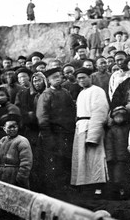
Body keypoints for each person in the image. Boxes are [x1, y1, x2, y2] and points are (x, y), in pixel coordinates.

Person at [36, 67, 76, 196]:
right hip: (53, 135)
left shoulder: (66, 92)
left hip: (67, 134)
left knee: (66, 161)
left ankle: (65, 188)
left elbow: (72, 111)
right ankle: (54, 190)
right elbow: (42, 117)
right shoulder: (46, 95)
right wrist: (48, 137)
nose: (58, 79)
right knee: (54, 162)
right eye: (54, 78)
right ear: (48, 80)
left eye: (59, 76)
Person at [70, 67, 110, 198]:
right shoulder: (81, 93)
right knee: (82, 159)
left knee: (95, 159)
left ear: (90, 77)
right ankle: (85, 188)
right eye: (79, 78)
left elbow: (100, 112)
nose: (81, 80)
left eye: (83, 77)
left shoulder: (97, 91)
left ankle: (98, 189)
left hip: (91, 127)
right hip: (81, 127)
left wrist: (93, 135)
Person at [104, 106, 130, 200]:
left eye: (121, 116)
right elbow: (109, 145)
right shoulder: (111, 130)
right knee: (117, 177)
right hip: (117, 159)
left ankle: (128, 193)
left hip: (128, 158)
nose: (119, 119)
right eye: (117, 117)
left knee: (128, 177)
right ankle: (116, 194)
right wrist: (110, 157)